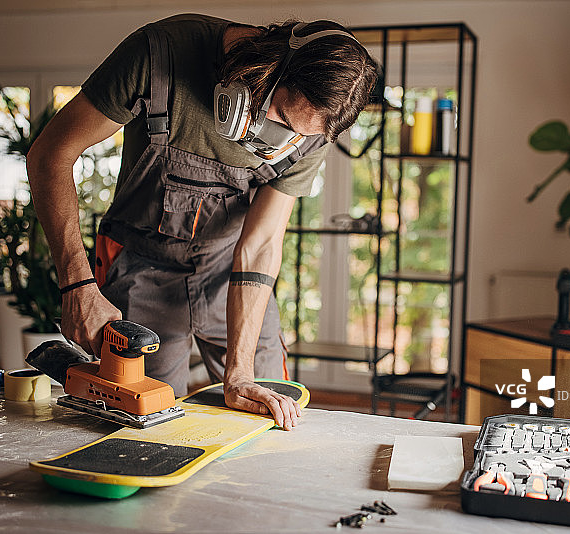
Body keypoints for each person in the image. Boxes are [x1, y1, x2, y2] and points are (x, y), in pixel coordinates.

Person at [26, 13, 378, 431]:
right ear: (271, 65)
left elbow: (261, 244)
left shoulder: (313, 124)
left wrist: (241, 373)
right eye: (280, 118)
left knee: (270, 411)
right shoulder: (159, 56)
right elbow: (50, 155)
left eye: (299, 136)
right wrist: (78, 287)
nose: (279, 142)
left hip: (230, 269)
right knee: (140, 422)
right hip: (140, 264)